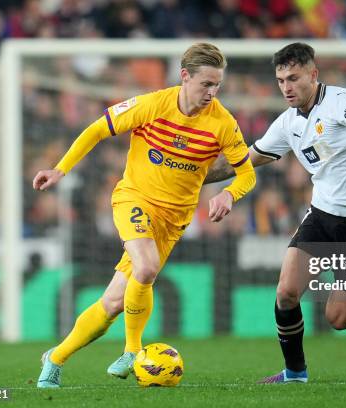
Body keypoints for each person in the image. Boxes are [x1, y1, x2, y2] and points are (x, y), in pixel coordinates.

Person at [33, 43, 256, 388]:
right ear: (185, 77)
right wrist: (61, 169)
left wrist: (229, 193)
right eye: (206, 84)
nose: (212, 93)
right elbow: (96, 128)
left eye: (217, 86)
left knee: (111, 303)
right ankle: (132, 351)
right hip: (134, 199)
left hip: (173, 220)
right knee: (147, 267)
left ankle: (55, 358)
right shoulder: (152, 104)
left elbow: (247, 174)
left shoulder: (223, 123)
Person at [204, 42, 346, 383]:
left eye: (294, 78)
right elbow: (245, 160)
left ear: (313, 75)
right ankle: (295, 372)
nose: (286, 87)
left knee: (339, 319)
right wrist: (190, 175)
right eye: (281, 79)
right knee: (286, 292)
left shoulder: (340, 101)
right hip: (323, 218)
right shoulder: (287, 124)